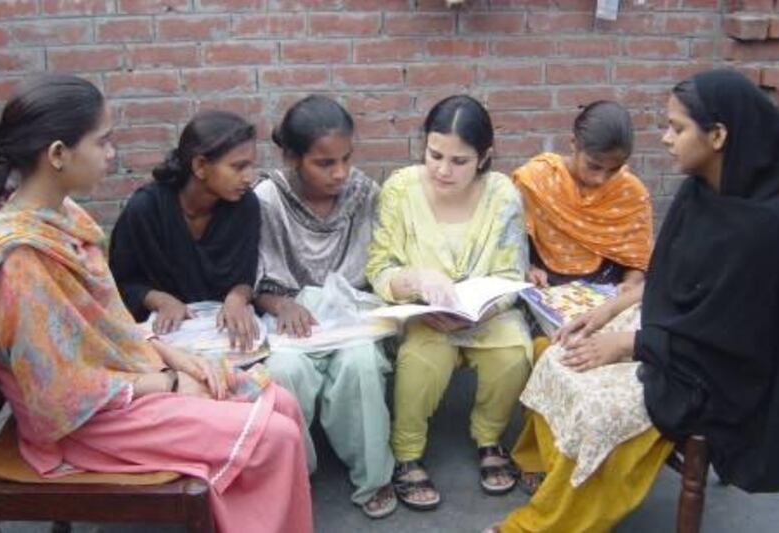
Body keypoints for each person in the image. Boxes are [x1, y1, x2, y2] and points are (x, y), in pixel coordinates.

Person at [0, 74, 312, 533]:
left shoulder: (67, 218)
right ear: (59, 154)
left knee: (280, 401)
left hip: (126, 377)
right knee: (275, 438)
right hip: (86, 422)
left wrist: (176, 356)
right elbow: (59, 397)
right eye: (102, 142)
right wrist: (169, 382)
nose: (111, 154)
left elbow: (110, 325)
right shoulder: (22, 259)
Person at [487, 69, 779, 533]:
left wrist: (627, 344)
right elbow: (669, 279)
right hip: (670, 332)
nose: (666, 139)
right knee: (557, 354)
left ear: (717, 135)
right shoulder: (700, 191)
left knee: (601, 410)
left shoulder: (764, 228)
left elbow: (728, 337)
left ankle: (544, 524)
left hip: (714, 369)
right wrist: (608, 310)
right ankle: (553, 474)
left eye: (677, 127)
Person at [366, 95, 532, 510]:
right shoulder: (401, 188)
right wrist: (416, 279)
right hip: (426, 315)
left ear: (484, 157)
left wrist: (479, 309)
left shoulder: (503, 195)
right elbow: (379, 267)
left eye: (459, 161)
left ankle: (489, 439)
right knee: (420, 360)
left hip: (487, 313)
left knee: (514, 352)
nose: (442, 169)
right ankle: (406, 455)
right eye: (434, 154)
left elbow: (512, 276)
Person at [254, 95, 396, 519]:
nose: (340, 173)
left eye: (346, 159)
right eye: (324, 163)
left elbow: (376, 266)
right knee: (283, 372)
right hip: (290, 317)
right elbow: (258, 277)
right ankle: (296, 473)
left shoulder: (363, 193)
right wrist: (282, 303)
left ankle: (373, 477)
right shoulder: (268, 199)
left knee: (360, 365)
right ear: (292, 158)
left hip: (352, 316)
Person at [109, 111, 260, 351]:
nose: (248, 177)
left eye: (251, 166)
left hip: (224, 335)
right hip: (165, 340)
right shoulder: (146, 209)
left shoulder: (246, 206)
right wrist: (161, 301)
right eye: (238, 167)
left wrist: (237, 299)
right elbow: (120, 283)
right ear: (200, 166)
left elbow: (247, 275)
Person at [512, 101, 652, 291]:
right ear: (573, 144)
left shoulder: (630, 194)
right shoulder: (536, 181)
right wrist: (529, 269)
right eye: (594, 166)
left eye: (614, 170)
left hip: (608, 294)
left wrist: (629, 285)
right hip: (545, 288)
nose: (600, 179)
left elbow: (637, 261)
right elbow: (512, 248)